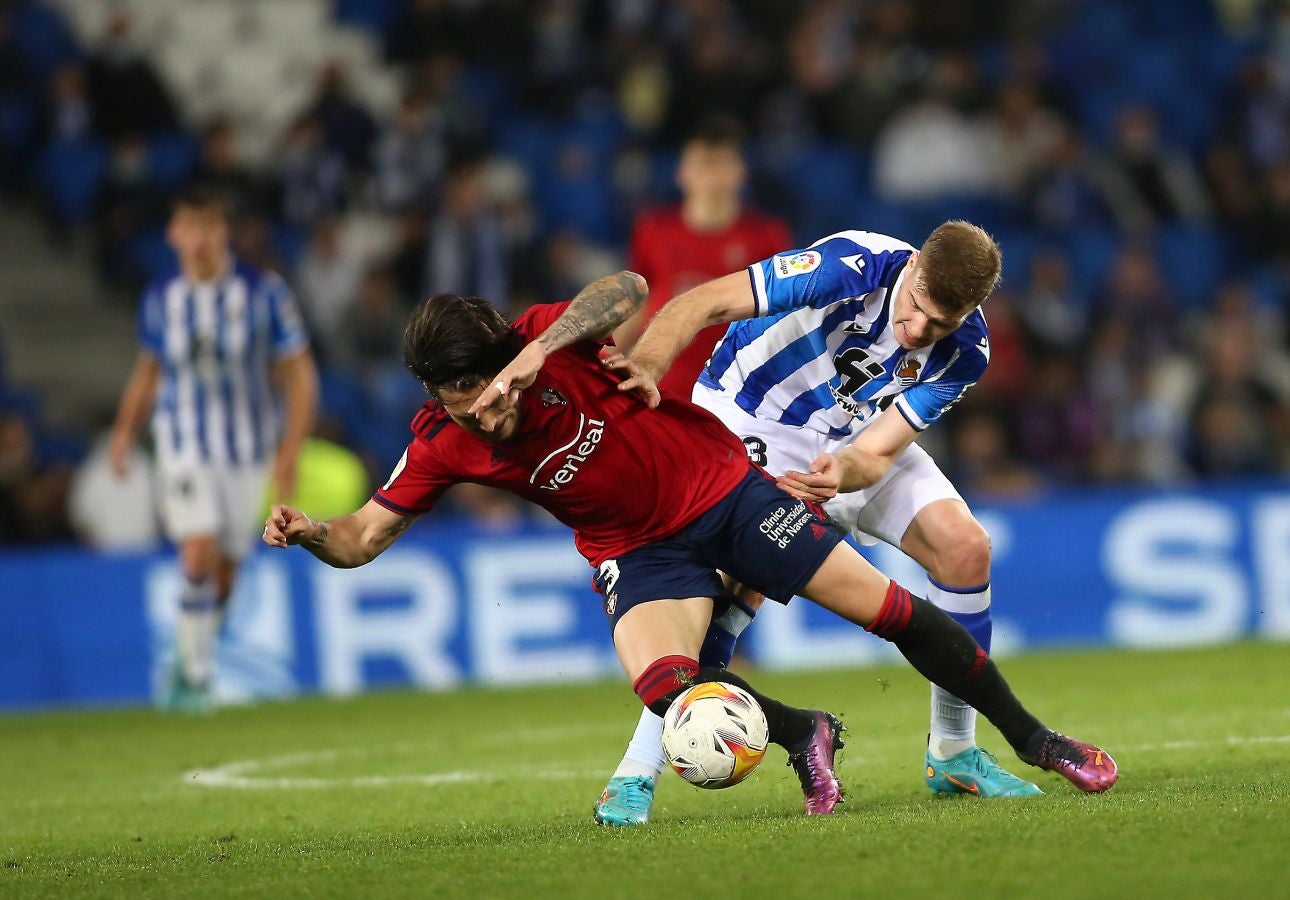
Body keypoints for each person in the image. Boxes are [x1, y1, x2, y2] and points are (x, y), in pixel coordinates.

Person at [263, 274, 1117, 821]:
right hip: (637, 552)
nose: (483, 416)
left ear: (504, 357)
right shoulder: (444, 441)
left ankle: (1036, 741)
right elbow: (363, 537)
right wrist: (310, 535)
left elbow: (627, 290)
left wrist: (540, 352)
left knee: (890, 611)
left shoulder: (548, 340)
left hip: (726, 492)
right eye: (461, 406)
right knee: (666, 680)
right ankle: (803, 730)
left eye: (487, 395)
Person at [587, 220, 1063, 825]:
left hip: (848, 442)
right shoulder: (848, 267)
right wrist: (649, 364)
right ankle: (634, 776)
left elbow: (880, 452)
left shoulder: (966, 349)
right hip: (746, 421)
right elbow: (701, 301)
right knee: (728, 597)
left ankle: (954, 752)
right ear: (913, 266)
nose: (919, 330)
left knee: (964, 548)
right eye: (916, 306)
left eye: (940, 324)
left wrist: (846, 469)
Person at [108, 188, 318, 712]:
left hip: (247, 450)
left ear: (223, 231)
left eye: (207, 227)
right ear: (173, 235)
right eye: (188, 228)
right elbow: (149, 370)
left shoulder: (265, 293)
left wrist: (290, 448)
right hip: (182, 442)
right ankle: (195, 681)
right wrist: (123, 432)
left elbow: (300, 374)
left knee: (225, 571)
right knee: (197, 552)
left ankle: (188, 657)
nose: (198, 239)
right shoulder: (162, 296)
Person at [614, 116, 792, 400]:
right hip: (663, 387)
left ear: (740, 171)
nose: (711, 174)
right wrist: (607, 359)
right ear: (682, 172)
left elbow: (783, 316)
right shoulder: (653, 229)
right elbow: (637, 302)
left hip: (736, 393)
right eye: (702, 163)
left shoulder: (766, 236)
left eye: (721, 162)